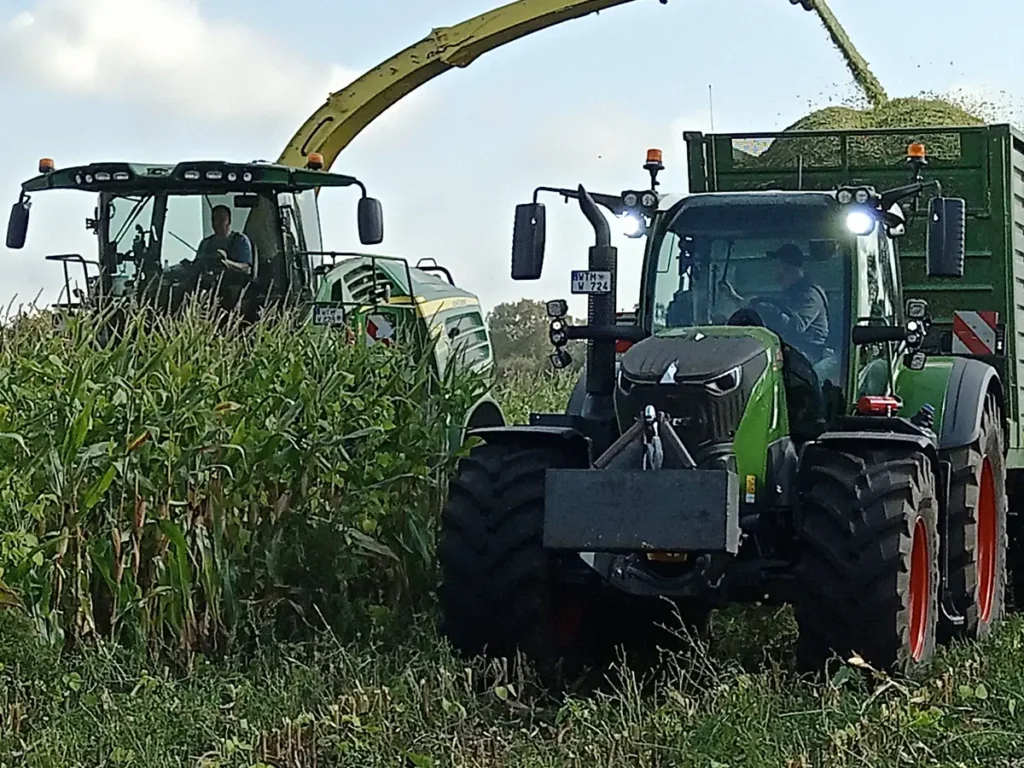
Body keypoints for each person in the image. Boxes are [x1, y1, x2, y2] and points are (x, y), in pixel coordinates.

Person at [719, 243, 829, 361]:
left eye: (778, 269)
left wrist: (768, 310)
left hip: (807, 355)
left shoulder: (810, 295)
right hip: (787, 350)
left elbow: (796, 326)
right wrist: (733, 297)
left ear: (789, 269)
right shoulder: (791, 293)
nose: (776, 276)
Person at [195, 204, 254, 277]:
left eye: (221, 220)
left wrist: (225, 262)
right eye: (214, 219)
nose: (216, 223)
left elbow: (246, 269)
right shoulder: (205, 243)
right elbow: (197, 265)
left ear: (229, 221)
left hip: (233, 281)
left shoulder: (240, 240)